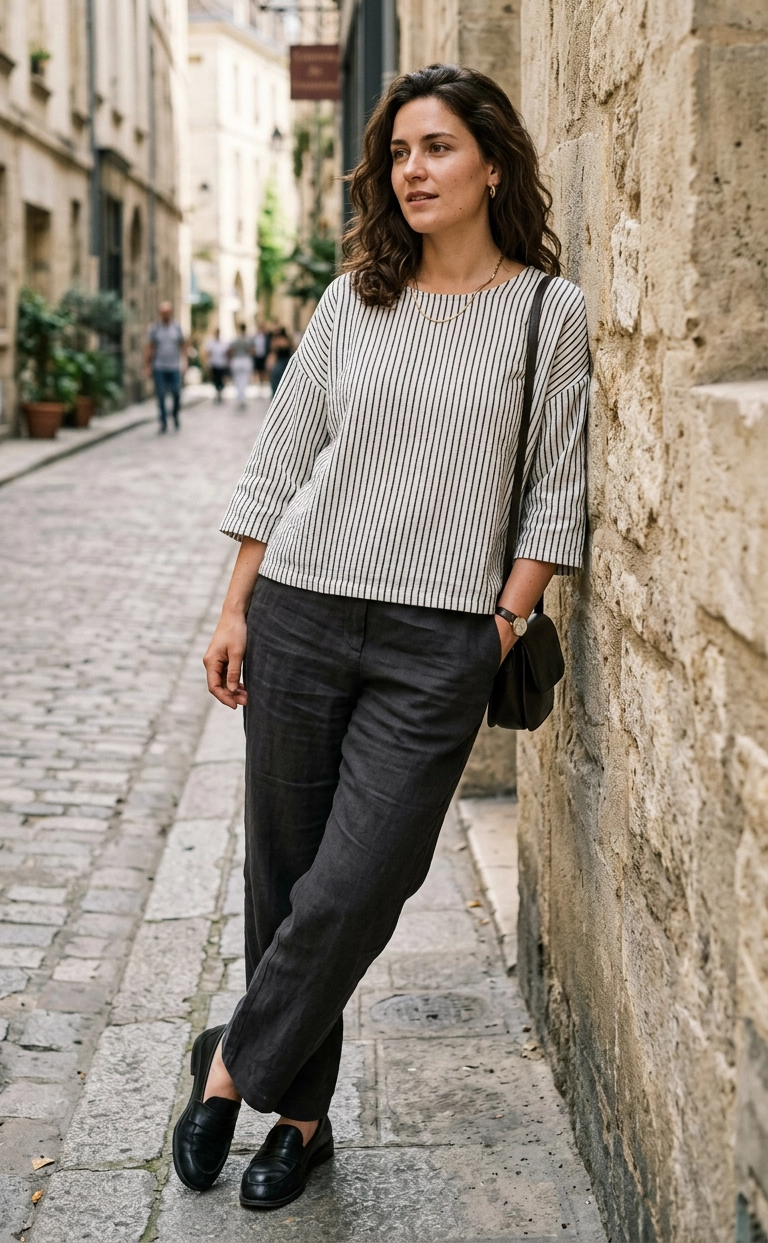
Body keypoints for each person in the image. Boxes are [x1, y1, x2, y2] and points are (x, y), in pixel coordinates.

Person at [172, 64, 589, 1212]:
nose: (414, 168)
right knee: (287, 876)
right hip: (304, 606)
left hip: (440, 640)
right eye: (400, 150)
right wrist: (236, 603)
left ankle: (226, 1065)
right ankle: (300, 1122)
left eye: (440, 146)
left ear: (492, 163)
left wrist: (503, 624)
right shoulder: (356, 297)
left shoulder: (548, 311)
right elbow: (281, 451)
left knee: (363, 877)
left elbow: (557, 486)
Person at [146, 302, 186, 433]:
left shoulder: (177, 328)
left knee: (176, 393)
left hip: (174, 366)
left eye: (167, 312)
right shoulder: (155, 329)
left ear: (171, 313)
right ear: (160, 313)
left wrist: (185, 362)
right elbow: (150, 347)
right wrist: (147, 365)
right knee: (161, 395)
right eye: (163, 313)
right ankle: (163, 421)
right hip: (159, 367)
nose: (165, 315)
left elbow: (183, 345)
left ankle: (174, 414)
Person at [229, 323, 254, 409]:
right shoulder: (248, 339)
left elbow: (231, 350)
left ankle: (240, 398)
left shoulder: (235, 339)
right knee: (244, 379)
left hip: (236, 360)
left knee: (237, 380)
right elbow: (251, 350)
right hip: (245, 360)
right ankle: (242, 398)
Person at [205, 327, 230, 404]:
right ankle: (217, 393)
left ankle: (220, 392)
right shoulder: (211, 342)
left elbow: (227, 353)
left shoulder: (223, 342)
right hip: (214, 364)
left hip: (222, 364)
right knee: (215, 380)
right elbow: (208, 353)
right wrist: (207, 363)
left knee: (221, 379)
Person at [266, 326, 292, 396]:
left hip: (282, 362)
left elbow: (273, 352)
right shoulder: (287, 340)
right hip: (283, 362)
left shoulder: (278, 340)